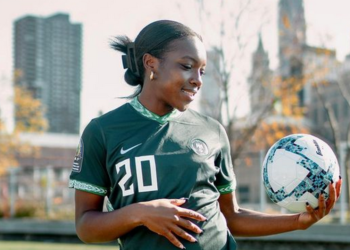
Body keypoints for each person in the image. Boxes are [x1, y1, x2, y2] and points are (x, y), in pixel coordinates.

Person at [69, 20, 342, 250]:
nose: (198, 79)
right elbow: (86, 226)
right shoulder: (103, 131)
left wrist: (297, 222)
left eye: (202, 70)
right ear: (151, 64)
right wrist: (141, 213)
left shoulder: (212, 131)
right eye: (187, 66)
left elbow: (231, 216)